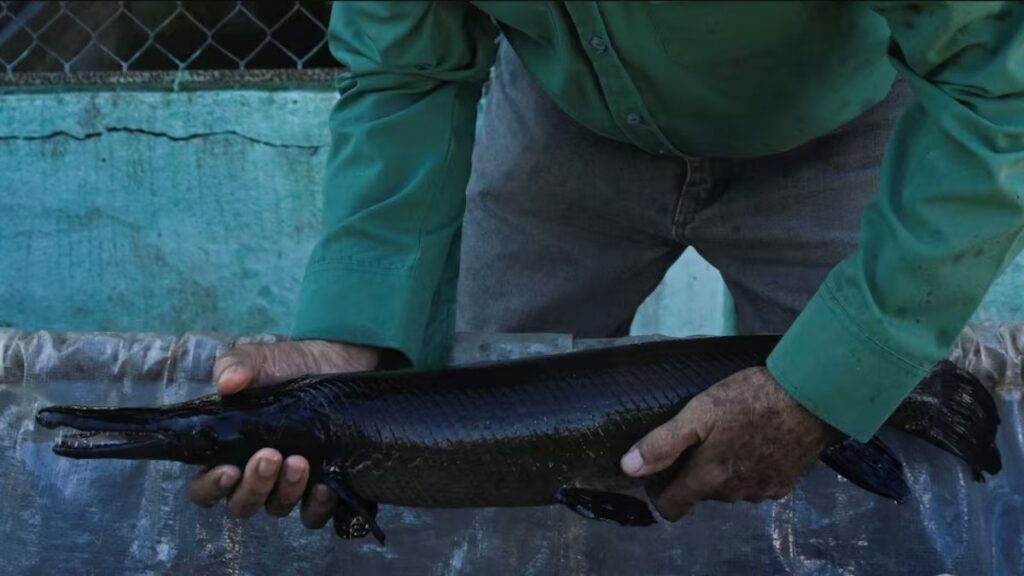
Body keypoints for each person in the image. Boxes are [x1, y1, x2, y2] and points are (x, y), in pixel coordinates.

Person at [188, 2, 1024, 531]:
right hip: (564, 119)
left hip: (842, 127)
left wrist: (833, 376)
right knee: (463, 453)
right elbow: (408, 72)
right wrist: (349, 338)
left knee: (862, 448)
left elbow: (1000, 77)